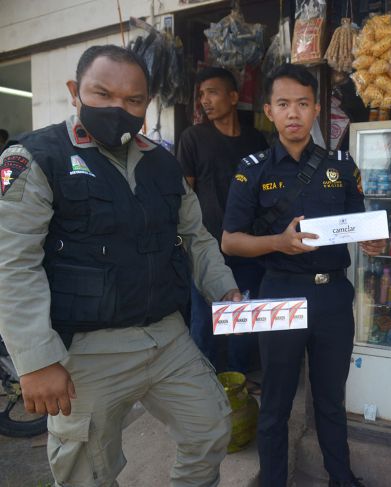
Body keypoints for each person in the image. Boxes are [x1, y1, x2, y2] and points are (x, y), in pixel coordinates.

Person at [0, 45, 241, 487]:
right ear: (75, 91)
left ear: (146, 103)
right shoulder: (36, 158)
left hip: (166, 337)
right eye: (103, 94)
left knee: (210, 429)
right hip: (89, 351)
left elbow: (196, 237)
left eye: (133, 100)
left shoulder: (162, 163)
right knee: (87, 471)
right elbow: (11, 263)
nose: (119, 109)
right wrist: (36, 361)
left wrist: (224, 289)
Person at [221, 64, 385, 487]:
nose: (293, 113)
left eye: (302, 104)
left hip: (333, 297)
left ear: (316, 110)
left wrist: (370, 241)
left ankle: (340, 477)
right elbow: (230, 242)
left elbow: (355, 223)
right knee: (276, 402)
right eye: (283, 104)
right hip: (281, 293)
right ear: (269, 112)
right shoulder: (251, 169)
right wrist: (278, 242)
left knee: (331, 399)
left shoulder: (341, 165)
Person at [177, 66, 268, 374]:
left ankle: (241, 380)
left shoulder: (257, 141)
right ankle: (204, 384)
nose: (205, 100)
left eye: (212, 93)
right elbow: (184, 193)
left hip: (248, 247)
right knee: (204, 324)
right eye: (201, 95)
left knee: (243, 320)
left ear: (233, 97)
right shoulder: (193, 138)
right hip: (206, 248)